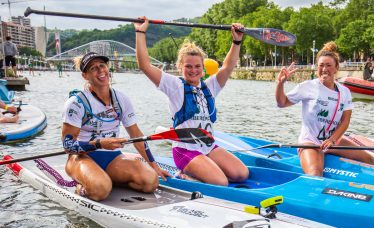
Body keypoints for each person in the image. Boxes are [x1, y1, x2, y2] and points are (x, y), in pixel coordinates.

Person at [135, 17, 248, 186]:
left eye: (197, 66)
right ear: (180, 66)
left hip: (207, 147)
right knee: (221, 182)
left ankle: (206, 168)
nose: (193, 70)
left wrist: (236, 41)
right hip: (184, 150)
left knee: (241, 174)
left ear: (203, 69)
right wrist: (140, 32)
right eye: (188, 66)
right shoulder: (174, 86)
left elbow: (228, 66)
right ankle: (185, 174)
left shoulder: (210, 87)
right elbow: (145, 65)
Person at [61, 52, 168, 201]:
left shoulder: (121, 99)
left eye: (102, 66)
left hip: (112, 158)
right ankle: (85, 186)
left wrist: (154, 165)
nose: (100, 71)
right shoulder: (76, 103)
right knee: (100, 190)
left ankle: (106, 179)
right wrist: (99, 144)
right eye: (93, 68)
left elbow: (136, 134)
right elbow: (68, 145)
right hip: (81, 157)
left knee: (150, 182)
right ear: (85, 75)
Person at [275, 41, 374, 176]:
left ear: (336, 68)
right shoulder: (307, 86)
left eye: (329, 65)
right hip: (310, 141)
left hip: (334, 141)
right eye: (321, 65)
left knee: (370, 160)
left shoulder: (344, 92)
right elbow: (282, 103)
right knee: (315, 173)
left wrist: (333, 140)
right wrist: (280, 84)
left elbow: (345, 121)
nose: (324, 69)